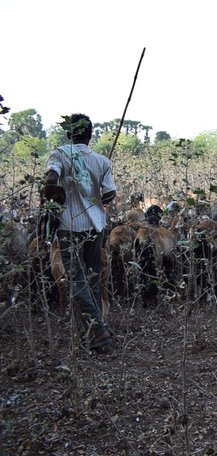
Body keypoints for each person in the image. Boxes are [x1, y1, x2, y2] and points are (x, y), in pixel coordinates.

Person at [42, 113, 117, 352]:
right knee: (92, 279)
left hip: (68, 226)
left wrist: (56, 188)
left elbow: (50, 178)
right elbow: (108, 195)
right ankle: (93, 334)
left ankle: (98, 333)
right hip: (95, 226)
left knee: (77, 281)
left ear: (68, 133)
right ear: (90, 134)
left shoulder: (59, 154)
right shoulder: (102, 161)